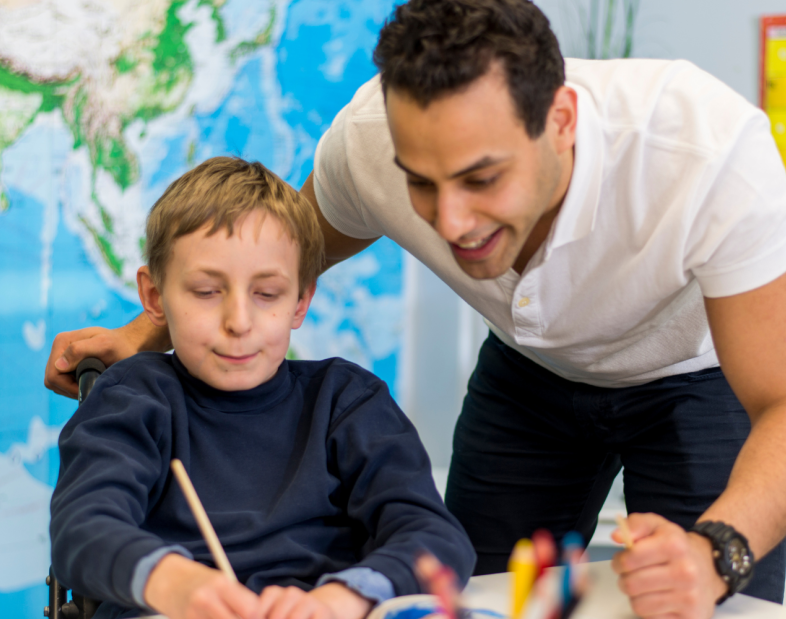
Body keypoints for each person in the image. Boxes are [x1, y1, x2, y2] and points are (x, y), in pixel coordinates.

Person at [46, 2, 786, 618]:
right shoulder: (367, 144)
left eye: (482, 178)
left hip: (691, 380)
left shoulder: (704, 151)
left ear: (559, 122)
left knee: (691, 596)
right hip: (527, 376)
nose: (451, 222)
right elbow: (265, 258)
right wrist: (143, 334)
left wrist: (717, 550)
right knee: (467, 592)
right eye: (420, 183)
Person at [49, 157, 475, 619]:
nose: (239, 322)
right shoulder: (132, 398)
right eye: (206, 292)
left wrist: (341, 599)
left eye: (267, 294)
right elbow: (81, 527)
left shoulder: (345, 401)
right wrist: (172, 582)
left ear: (300, 301)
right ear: (154, 296)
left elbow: (435, 537)